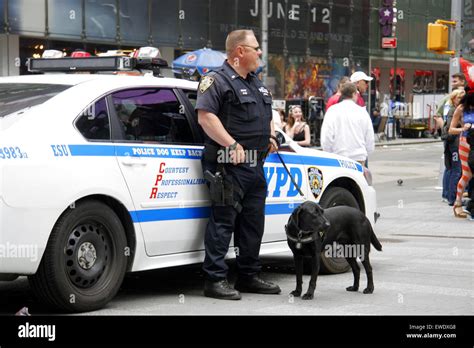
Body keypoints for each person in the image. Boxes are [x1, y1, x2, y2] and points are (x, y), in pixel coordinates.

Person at [195, 29, 281, 300]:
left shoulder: (258, 83)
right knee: (223, 222)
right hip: (226, 165)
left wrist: (269, 135)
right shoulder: (215, 81)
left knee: (253, 223)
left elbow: (266, 114)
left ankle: (249, 276)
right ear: (239, 52)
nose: (260, 53)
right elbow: (206, 117)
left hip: (256, 165)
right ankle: (215, 280)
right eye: (255, 48)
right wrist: (231, 144)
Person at [320, 82, 375, 166]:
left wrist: (329, 153)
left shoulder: (332, 111)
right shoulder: (362, 112)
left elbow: (326, 137)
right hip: (358, 158)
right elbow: (369, 137)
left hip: (337, 158)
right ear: (354, 94)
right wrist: (366, 152)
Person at [449, 86, 474, 218]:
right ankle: (457, 204)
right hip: (466, 141)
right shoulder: (461, 108)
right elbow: (451, 129)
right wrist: (463, 128)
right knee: (467, 174)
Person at [442, 89, 465, 206]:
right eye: (459, 98)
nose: (461, 100)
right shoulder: (454, 111)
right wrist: (463, 128)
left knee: (453, 170)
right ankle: (451, 197)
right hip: (454, 145)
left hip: (455, 144)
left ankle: (450, 195)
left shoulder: (457, 110)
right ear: (454, 99)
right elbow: (451, 129)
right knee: (455, 171)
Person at [434, 73, 467, 138]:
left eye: (455, 81)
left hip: (466, 133)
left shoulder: (469, 96)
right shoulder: (447, 98)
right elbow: (437, 115)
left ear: (462, 82)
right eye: (452, 82)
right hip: (451, 135)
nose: (452, 84)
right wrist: (445, 129)